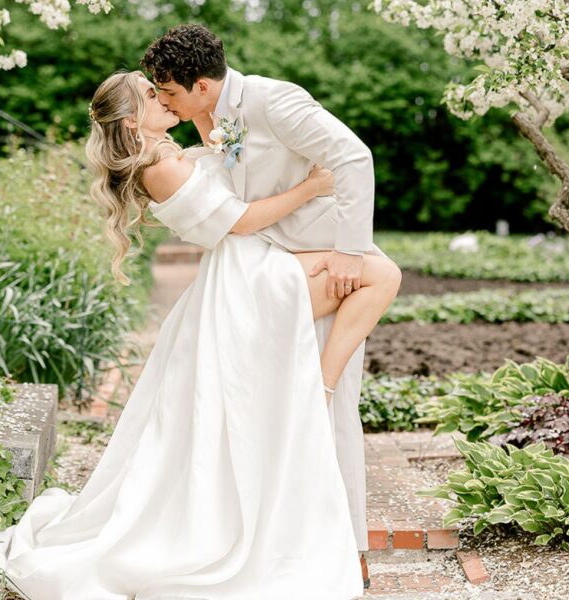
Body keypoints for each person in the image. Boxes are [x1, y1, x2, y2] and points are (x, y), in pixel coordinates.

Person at [0, 67, 400, 599]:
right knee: (380, 274)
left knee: (377, 276)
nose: (162, 97)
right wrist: (311, 187)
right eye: (151, 94)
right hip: (249, 279)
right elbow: (240, 222)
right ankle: (318, 387)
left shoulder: (173, 146)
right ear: (134, 120)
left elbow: (238, 167)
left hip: (255, 268)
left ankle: (317, 390)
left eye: (163, 90)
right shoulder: (157, 167)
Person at [140, 24, 401, 586]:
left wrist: (352, 253)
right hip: (262, 268)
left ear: (203, 85)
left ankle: (345, 551)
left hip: (322, 258)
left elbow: (354, 158)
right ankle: (269, 538)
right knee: (264, 409)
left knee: (329, 405)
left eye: (169, 92)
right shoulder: (202, 118)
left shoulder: (274, 100)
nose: (162, 101)